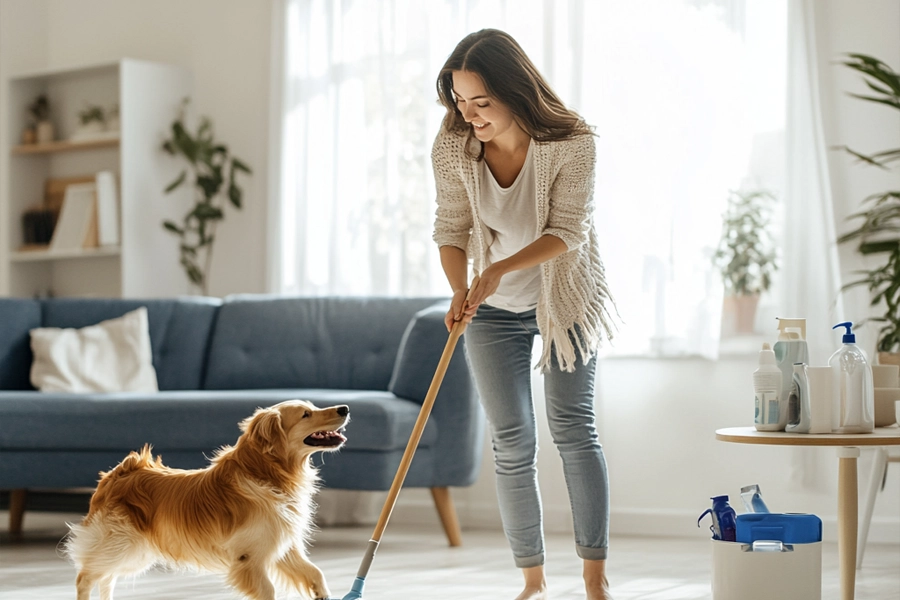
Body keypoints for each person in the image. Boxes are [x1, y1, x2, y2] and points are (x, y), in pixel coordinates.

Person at [431, 29, 618, 600]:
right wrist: (462, 290)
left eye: (481, 103)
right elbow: (450, 227)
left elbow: (568, 230)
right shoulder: (453, 145)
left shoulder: (572, 141)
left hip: (566, 301)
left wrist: (496, 271)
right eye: (460, 102)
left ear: (516, 92)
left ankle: (594, 578)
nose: (469, 115)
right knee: (511, 440)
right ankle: (532, 581)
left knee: (572, 429)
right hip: (492, 310)